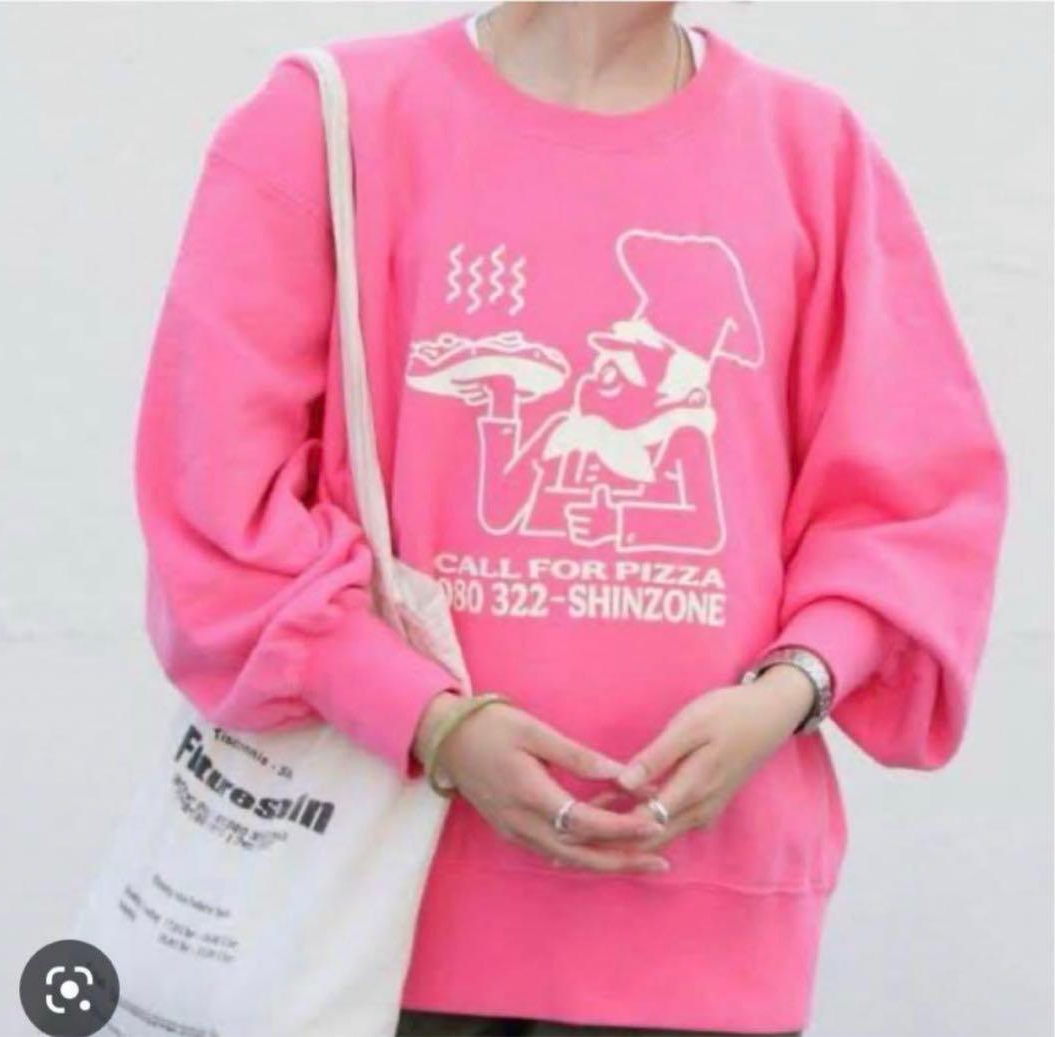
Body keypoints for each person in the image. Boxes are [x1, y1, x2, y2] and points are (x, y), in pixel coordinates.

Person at [132, 3, 1009, 1035]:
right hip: (370, 899)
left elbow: (915, 500)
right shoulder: (327, 122)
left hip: (698, 921)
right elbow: (216, 502)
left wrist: (790, 690)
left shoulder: (813, 153)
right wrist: (431, 721)